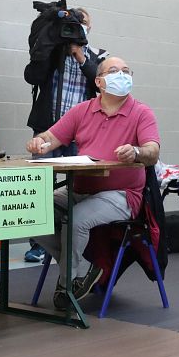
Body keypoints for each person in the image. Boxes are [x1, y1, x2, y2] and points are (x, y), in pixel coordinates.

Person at [26, 56, 160, 310]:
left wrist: (137, 152)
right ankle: (85, 268)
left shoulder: (141, 112)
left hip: (121, 194)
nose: (122, 75)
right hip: (79, 188)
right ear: (99, 82)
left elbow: (153, 151)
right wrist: (38, 142)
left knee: (76, 219)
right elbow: (50, 137)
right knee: (26, 211)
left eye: (126, 71)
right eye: (114, 71)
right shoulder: (82, 110)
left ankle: (67, 284)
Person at [23, 7, 108, 263]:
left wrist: (80, 55)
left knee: (79, 187)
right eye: (76, 23)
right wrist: (48, 47)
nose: (80, 28)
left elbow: (99, 82)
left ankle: (74, 236)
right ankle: (37, 242)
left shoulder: (98, 56)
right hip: (49, 129)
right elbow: (32, 76)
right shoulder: (53, 52)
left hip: (80, 133)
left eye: (85, 24)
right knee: (40, 186)